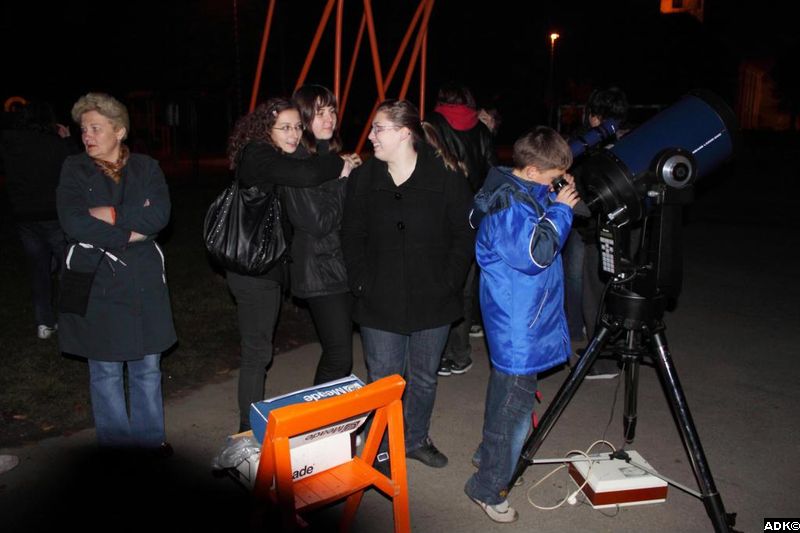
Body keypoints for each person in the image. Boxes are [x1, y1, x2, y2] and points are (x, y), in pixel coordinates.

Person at [341, 99, 474, 468]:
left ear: (403, 133)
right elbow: (351, 234)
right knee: (383, 380)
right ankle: (381, 446)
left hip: (433, 298)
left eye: (378, 128)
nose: (371, 136)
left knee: (424, 378)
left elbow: (464, 234)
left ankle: (415, 439)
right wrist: (361, 281)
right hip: (379, 299)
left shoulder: (445, 175)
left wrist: (449, 282)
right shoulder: (364, 178)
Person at [464, 127, 578, 523]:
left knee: (505, 399)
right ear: (530, 171)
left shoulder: (519, 189)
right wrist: (561, 209)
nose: (556, 184)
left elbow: (535, 212)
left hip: (521, 320)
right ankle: (487, 487)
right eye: (552, 177)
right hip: (518, 328)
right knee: (513, 412)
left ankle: (488, 454)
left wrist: (553, 193)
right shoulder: (509, 207)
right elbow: (535, 254)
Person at [224, 97, 354, 432]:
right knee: (257, 352)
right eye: (285, 127)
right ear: (265, 129)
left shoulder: (270, 156)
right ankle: (247, 432)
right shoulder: (257, 154)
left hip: (264, 266)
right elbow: (307, 173)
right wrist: (339, 164)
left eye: (297, 126)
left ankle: (253, 428)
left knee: (260, 351)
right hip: (252, 268)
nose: (294, 134)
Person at [56, 92, 176, 451]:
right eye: (83, 129)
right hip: (95, 279)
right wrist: (129, 232)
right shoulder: (74, 169)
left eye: (96, 128)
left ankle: (150, 442)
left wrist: (107, 214)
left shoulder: (146, 167)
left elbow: (159, 216)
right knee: (105, 372)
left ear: (119, 131)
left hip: (143, 281)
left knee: (147, 369)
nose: (87, 136)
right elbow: (73, 222)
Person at [286, 84, 361, 385]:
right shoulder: (298, 163)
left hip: (337, 264)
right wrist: (343, 180)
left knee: (340, 354)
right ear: (303, 118)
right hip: (318, 269)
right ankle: (318, 414)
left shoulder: (326, 156)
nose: (329, 118)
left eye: (331, 110)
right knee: (339, 357)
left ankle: (330, 413)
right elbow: (318, 222)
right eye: (319, 112)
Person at [425, 82, 496, 378]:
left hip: (437, 214)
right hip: (471, 215)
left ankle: (437, 354)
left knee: (437, 283)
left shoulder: (431, 125)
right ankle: (461, 352)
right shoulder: (481, 130)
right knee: (465, 286)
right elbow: (491, 172)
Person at [567, 86, 630, 379]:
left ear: (594, 117)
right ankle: (602, 349)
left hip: (600, 229)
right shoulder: (628, 142)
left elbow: (589, 201)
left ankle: (603, 360)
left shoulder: (595, 149)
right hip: (621, 228)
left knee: (597, 293)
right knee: (608, 291)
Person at [0, 100, 77, 339]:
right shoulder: (53, 144)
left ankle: (44, 322)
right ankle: (68, 320)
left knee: (39, 270)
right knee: (67, 269)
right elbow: (77, 168)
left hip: (25, 217)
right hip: (54, 216)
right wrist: (67, 140)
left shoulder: (9, 144)